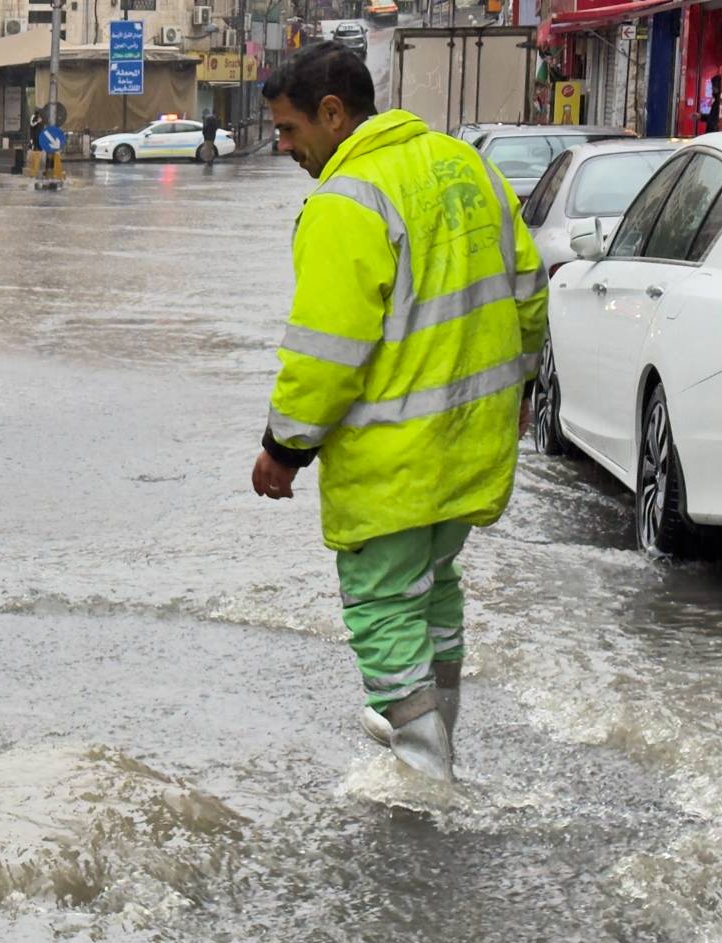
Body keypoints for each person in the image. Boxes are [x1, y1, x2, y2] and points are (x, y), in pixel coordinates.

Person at [249, 42, 547, 782]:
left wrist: (283, 448)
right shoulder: (465, 165)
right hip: (471, 446)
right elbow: (529, 290)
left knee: (382, 608)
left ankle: (424, 771)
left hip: (395, 462)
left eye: (289, 131)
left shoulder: (346, 199)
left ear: (332, 113)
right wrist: (525, 392)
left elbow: (326, 350)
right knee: (434, 590)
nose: (282, 147)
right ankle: (436, 729)